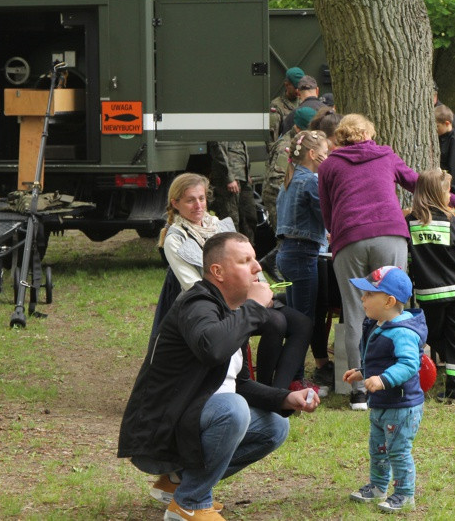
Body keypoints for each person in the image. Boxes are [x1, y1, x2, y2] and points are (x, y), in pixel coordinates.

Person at [118, 232, 320, 521]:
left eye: (254, 258)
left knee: (275, 425)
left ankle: (179, 481)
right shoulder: (196, 304)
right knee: (233, 409)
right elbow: (212, 349)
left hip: (190, 420)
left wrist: (286, 397)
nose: (258, 267)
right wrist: (253, 307)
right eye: (245, 260)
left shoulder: (230, 310)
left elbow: (235, 383)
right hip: (160, 430)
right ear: (218, 272)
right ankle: (191, 503)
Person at [317, 113, 455, 410]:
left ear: (341, 136)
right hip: (390, 233)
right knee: (394, 307)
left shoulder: (329, 165)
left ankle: (359, 391)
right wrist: (453, 201)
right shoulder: (385, 155)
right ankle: (395, 377)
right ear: (369, 134)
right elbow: (418, 184)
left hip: (349, 238)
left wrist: (337, 231)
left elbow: (327, 210)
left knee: (353, 311)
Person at [155, 173, 310, 392]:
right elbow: (194, 286)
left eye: (201, 198)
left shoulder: (218, 225)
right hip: (212, 308)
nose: (198, 205)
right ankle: (264, 390)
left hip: (244, 296)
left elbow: (248, 260)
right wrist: (250, 299)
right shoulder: (175, 238)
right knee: (276, 322)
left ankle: (278, 391)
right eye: (190, 200)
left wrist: (262, 289)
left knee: (301, 322)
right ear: (175, 203)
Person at [343, 266, 426, 513]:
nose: (362, 299)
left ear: (389, 301)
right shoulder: (381, 325)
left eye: (369, 295)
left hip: (401, 406)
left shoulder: (402, 331)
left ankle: (404, 495)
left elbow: (409, 364)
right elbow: (380, 359)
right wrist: (363, 372)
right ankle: (378, 486)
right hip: (382, 404)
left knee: (398, 452)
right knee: (377, 448)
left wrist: (383, 380)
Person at [405, 169, 455, 405]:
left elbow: (410, 259)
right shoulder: (452, 220)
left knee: (433, 335)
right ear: (440, 194)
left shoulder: (410, 223)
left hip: (429, 293)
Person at [275, 130, 335, 395]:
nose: (328, 157)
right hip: (302, 255)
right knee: (303, 323)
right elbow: (327, 215)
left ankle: (290, 376)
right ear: (313, 154)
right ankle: (295, 381)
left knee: (297, 319)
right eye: (325, 152)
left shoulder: (291, 179)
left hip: (288, 254)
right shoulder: (310, 181)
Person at [260, 106, 318, 281]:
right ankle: (275, 265)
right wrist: (295, 198)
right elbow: (277, 179)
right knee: (289, 236)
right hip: (278, 194)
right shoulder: (286, 146)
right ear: (298, 129)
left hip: (289, 194)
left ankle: (272, 262)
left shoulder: (300, 143)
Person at [207, 141, 259, 246]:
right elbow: (219, 151)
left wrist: (246, 173)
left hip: (242, 178)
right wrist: (229, 178)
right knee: (231, 221)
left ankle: (248, 251)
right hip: (229, 180)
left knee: (250, 217)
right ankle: (232, 252)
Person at [435, 105, 455, 196]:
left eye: (437, 126)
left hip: (449, 189)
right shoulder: (440, 137)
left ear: (447, 123)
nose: (435, 129)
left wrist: (453, 192)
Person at [268, 67, 303, 145]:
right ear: (287, 85)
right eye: (296, 87)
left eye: (301, 87)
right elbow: (272, 140)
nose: (298, 90)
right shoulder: (276, 106)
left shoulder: (304, 102)